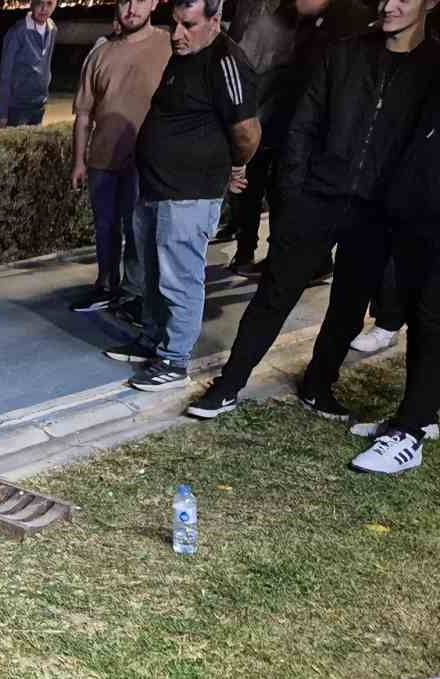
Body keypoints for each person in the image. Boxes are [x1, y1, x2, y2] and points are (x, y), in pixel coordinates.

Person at [188, 0, 438, 419]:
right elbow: (303, 124)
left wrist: (403, 207)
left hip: (378, 212)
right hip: (317, 198)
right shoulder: (345, 53)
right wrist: (294, 192)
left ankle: (318, 386)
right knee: (274, 294)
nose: (389, 5)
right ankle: (228, 385)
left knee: (348, 307)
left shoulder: (433, 68)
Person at [103, 0, 258, 393]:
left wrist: (235, 166)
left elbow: (247, 132)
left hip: (189, 194)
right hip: (156, 188)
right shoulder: (184, 56)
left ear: (214, 20)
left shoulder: (225, 60)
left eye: (188, 25)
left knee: (180, 279)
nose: (176, 34)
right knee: (154, 275)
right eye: (174, 24)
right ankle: (152, 340)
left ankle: (174, 360)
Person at [225, 0, 367, 273]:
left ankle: (312, 261)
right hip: (281, 114)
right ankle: (275, 255)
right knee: (273, 187)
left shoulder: (347, 17)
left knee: (293, 192)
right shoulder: (290, 15)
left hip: (313, 122)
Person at [351, 88, 440, 474]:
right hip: (420, 220)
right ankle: (418, 413)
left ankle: (411, 430)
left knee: (432, 319)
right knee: (423, 322)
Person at [67, 0, 169, 314]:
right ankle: (106, 285)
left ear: (153, 4)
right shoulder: (100, 53)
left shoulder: (168, 45)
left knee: (139, 230)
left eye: (140, 0)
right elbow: (83, 115)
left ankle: (135, 293)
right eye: (125, 1)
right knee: (105, 227)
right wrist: (79, 162)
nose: (131, 8)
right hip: (102, 160)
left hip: (146, 161)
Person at [0, 0, 58, 128]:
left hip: (39, 104)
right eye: (40, 3)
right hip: (17, 107)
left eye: (49, 4)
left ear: (55, 5)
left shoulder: (52, 29)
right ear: (32, 4)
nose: (44, 8)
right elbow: (5, 74)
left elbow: (47, 64)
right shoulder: (17, 32)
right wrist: (1, 114)